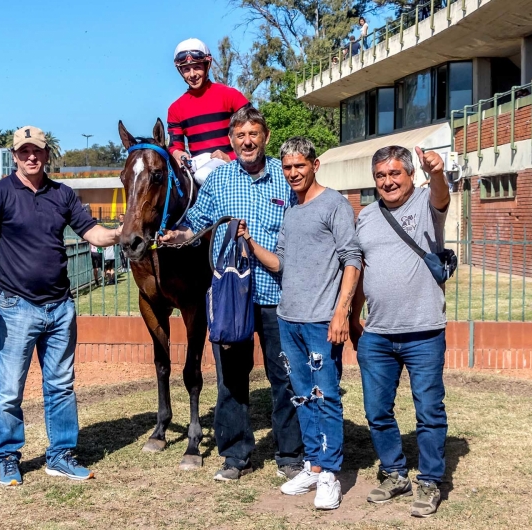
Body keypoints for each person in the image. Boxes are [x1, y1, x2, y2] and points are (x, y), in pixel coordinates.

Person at [160, 106, 305, 482]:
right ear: (231, 140)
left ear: (265, 137)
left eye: (254, 134)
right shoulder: (220, 181)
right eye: (240, 135)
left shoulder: (285, 180)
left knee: (284, 377)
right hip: (230, 297)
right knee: (231, 380)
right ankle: (236, 454)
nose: (247, 141)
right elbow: (195, 222)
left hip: (277, 295)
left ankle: (290, 453)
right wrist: (178, 235)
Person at [0, 126, 122, 487]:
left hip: (59, 308)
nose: (31, 157)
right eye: (24, 151)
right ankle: (8, 457)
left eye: (37, 151)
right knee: (10, 388)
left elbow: (93, 234)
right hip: (15, 306)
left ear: (46, 154)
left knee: (61, 385)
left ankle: (61, 456)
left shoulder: (63, 194)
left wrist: (122, 231)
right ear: (14, 156)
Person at [236, 136, 361, 510]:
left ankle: (329, 474)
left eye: (299, 166)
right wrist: (250, 242)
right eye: (287, 167)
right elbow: (281, 263)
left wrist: (342, 311)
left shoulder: (334, 204)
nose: (293, 173)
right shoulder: (291, 210)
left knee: (326, 396)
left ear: (315, 164)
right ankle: (312, 464)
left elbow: (352, 258)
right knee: (302, 396)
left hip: (322, 320)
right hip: (288, 318)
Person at [349, 145, 450, 518]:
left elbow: (442, 195)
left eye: (395, 174)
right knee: (376, 410)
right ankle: (394, 473)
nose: (387, 181)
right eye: (380, 176)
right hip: (377, 333)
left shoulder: (426, 202)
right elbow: (360, 269)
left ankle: (429, 480)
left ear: (409, 175)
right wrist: (352, 317)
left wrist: (437, 173)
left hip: (424, 330)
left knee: (429, 410)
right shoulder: (367, 216)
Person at [167, 38, 250, 165]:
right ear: (180, 71)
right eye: (186, 69)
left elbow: (256, 133)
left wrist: (231, 157)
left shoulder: (231, 96)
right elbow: (175, 146)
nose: (192, 74)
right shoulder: (175, 109)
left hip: (237, 166)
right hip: (198, 172)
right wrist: (178, 154)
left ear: (207, 65)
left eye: (197, 67)